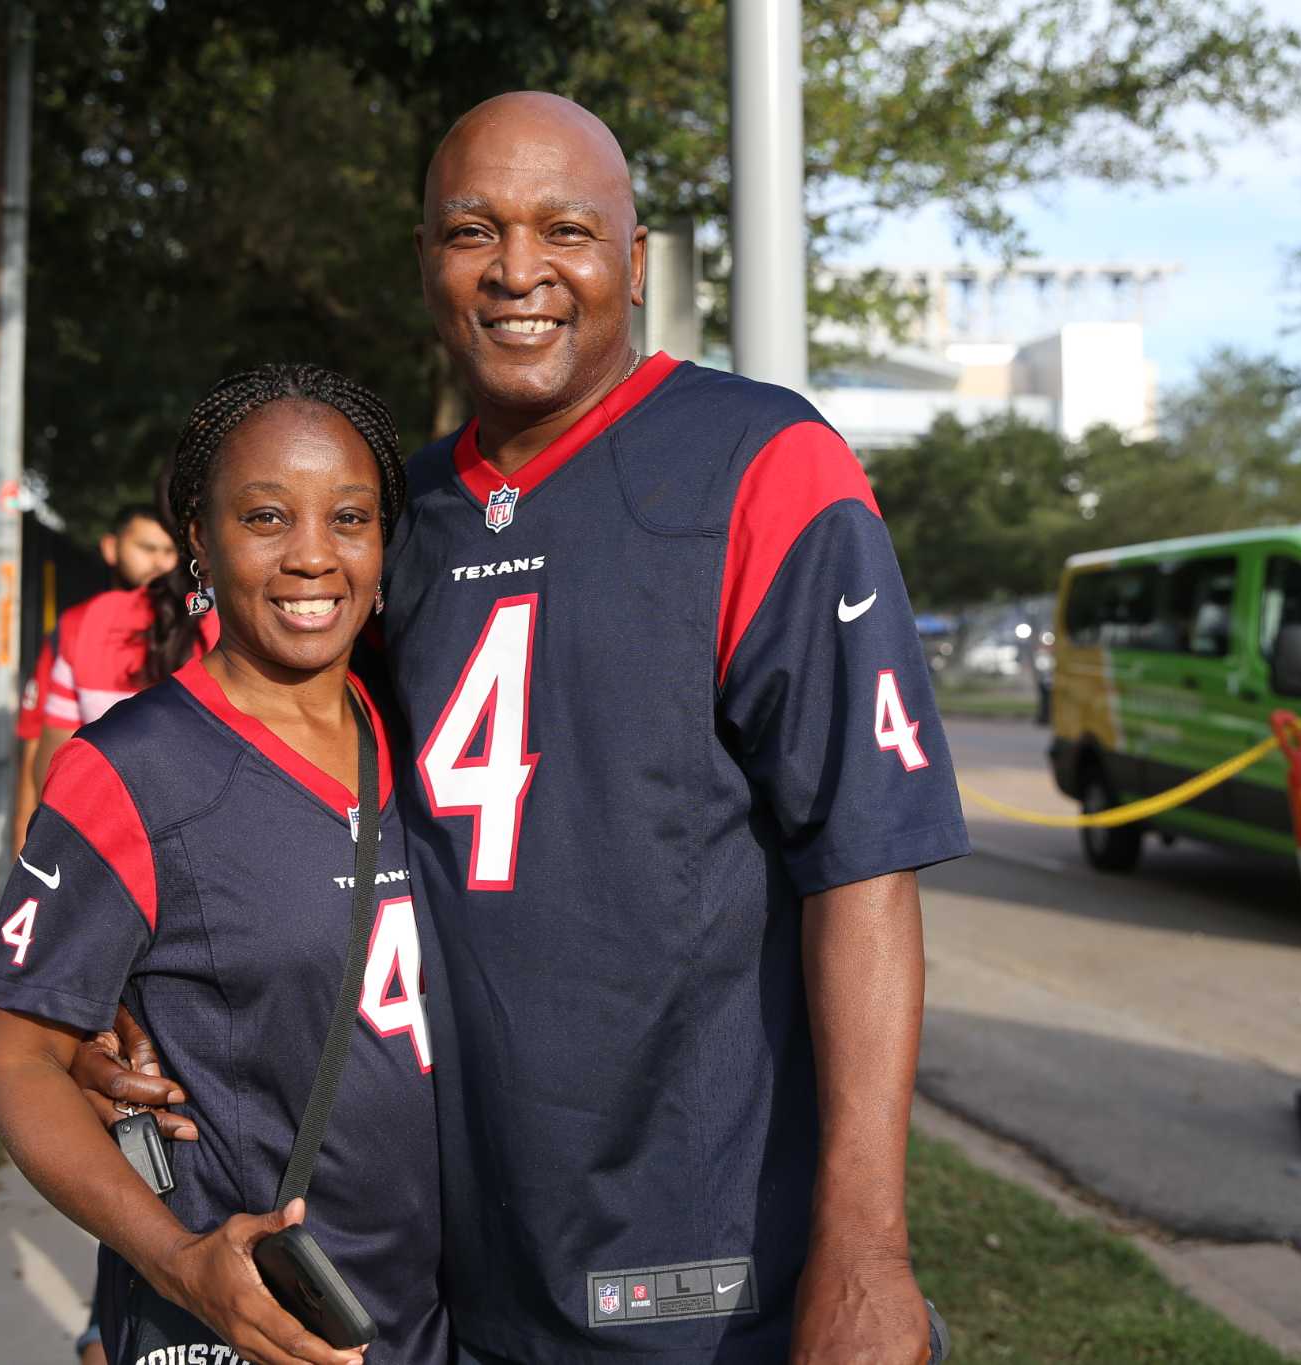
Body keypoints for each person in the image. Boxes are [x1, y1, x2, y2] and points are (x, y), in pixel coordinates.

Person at [90, 92, 969, 1362]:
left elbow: (865, 867)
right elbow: (280, 784)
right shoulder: (400, 518)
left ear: (634, 259)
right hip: (459, 1255)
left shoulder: (761, 463)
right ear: (425, 263)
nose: (517, 272)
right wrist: (136, 989)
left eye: (564, 228)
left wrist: (865, 1248)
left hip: (709, 1264)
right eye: (471, 232)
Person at [0, 365, 445, 1365]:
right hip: (245, 1322)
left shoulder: (429, 735)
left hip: (435, 1319)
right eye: (266, 518)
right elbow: (16, 1053)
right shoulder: (129, 772)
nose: (312, 557)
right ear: (199, 537)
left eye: (349, 519)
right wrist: (176, 1260)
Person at [15, 504, 181, 855]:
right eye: (147, 549)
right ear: (110, 548)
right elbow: (38, 747)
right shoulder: (78, 627)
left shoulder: (206, 629)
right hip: (94, 841)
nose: (160, 564)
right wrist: (26, 847)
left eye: (169, 552)